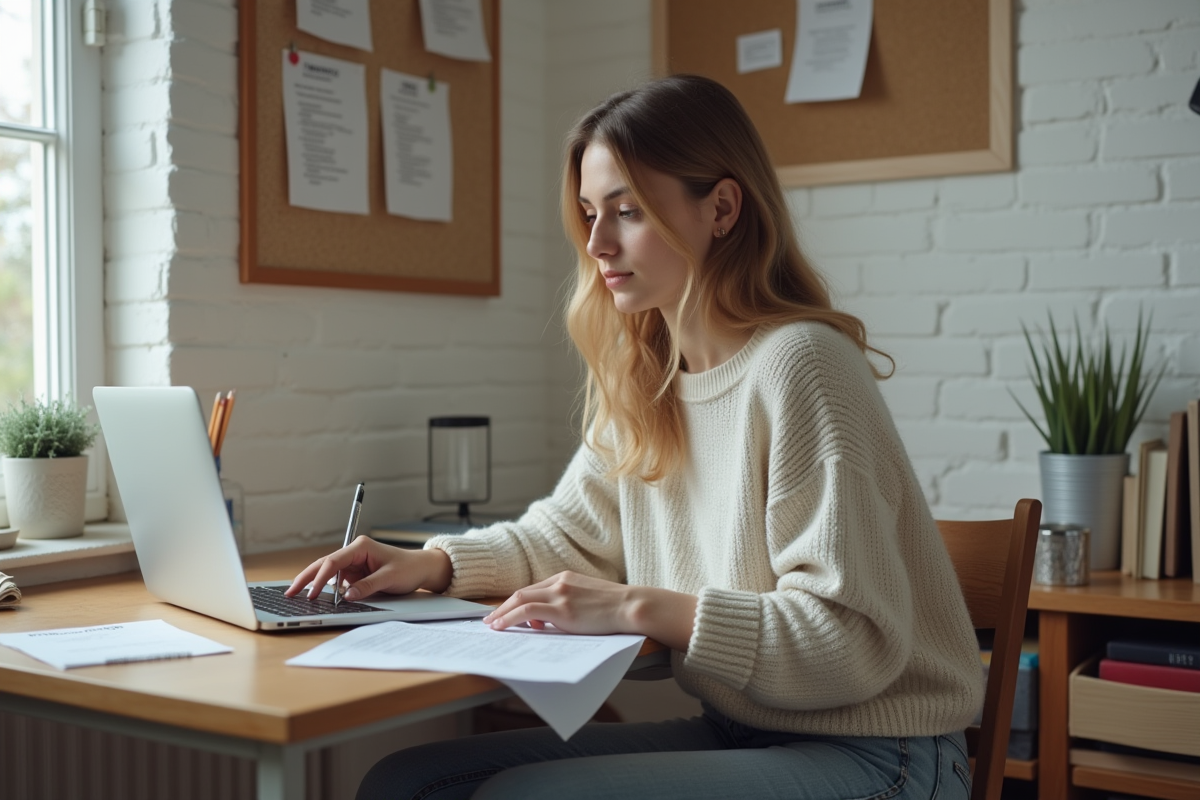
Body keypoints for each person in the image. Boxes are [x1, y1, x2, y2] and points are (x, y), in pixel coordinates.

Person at [287, 74, 982, 800]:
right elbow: (567, 538)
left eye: (627, 211)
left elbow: (851, 640)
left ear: (721, 208)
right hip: (741, 731)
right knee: (406, 780)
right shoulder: (647, 379)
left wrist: (634, 607)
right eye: (590, 213)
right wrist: (429, 564)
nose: (596, 243)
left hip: (882, 756)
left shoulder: (802, 365)